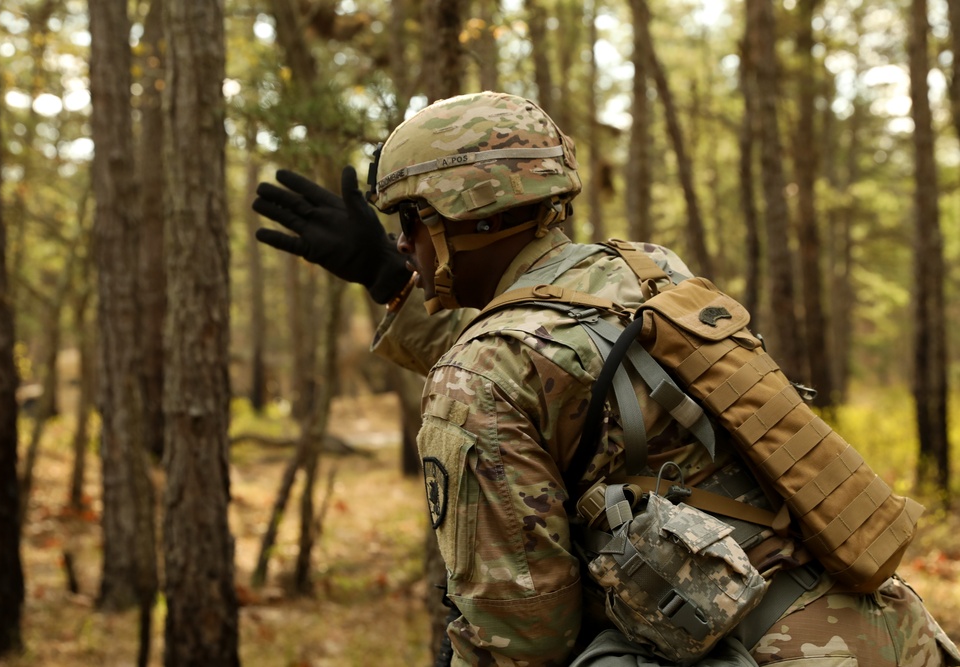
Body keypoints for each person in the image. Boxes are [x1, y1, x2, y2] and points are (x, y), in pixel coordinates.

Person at [253, 91, 960, 667]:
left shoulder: (481, 375)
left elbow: (522, 639)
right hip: (887, 631)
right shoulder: (649, 271)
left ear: (467, 217)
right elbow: (557, 368)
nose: (404, 242)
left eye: (412, 220)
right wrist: (390, 279)